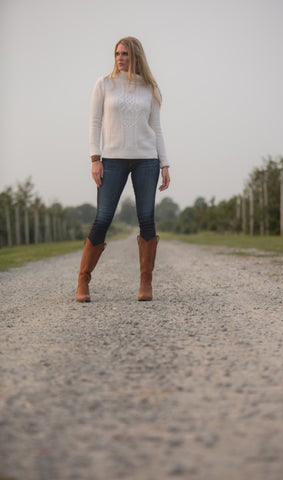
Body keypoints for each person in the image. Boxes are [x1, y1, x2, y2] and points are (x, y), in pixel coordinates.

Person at [76, 36, 170, 303]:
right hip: (113, 159)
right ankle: (83, 281)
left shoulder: (149, 87)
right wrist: (95, 159)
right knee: (103, 218)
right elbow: (94, 123)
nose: (120, 58)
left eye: (125, 53)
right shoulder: (104, 84)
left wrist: (164, 163)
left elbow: (157, 129)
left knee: (147, 218)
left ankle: (145, 284)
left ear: (136, 56)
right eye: (117, 53)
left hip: (146, 160)